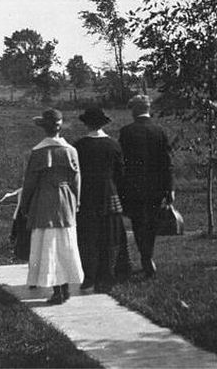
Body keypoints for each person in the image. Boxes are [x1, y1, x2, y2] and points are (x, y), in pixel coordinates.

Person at [20, 108, 84, 305]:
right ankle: (64, 287)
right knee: (65, 242)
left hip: (44, 200)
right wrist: (77, 201)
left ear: (43, 128)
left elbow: (29, 181)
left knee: (49, 244)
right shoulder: (70, 150)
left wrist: (25, 203)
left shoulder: (38, 152)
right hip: (66, 199)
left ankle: (57, 289)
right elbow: (77, 179)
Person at [73, 106, 131, 292]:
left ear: (86, 124)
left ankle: (89, 276)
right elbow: (121, 174)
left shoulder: (79, 146)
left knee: (87, 236)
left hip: (86, 195)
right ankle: (105, 277)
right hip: (109, 193)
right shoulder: (114, 145)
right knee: (108, 237)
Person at [118, 94, 174, 278]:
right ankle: (147, 256)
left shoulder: (126, 132)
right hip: (156, 188)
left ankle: (145, 256)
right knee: (151, 223)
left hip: (133, 188)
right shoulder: (159, 131)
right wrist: (170, 188)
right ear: (148, 109)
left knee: (138, 223)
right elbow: (167, 163)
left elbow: (122, 163)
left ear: (134, 110)